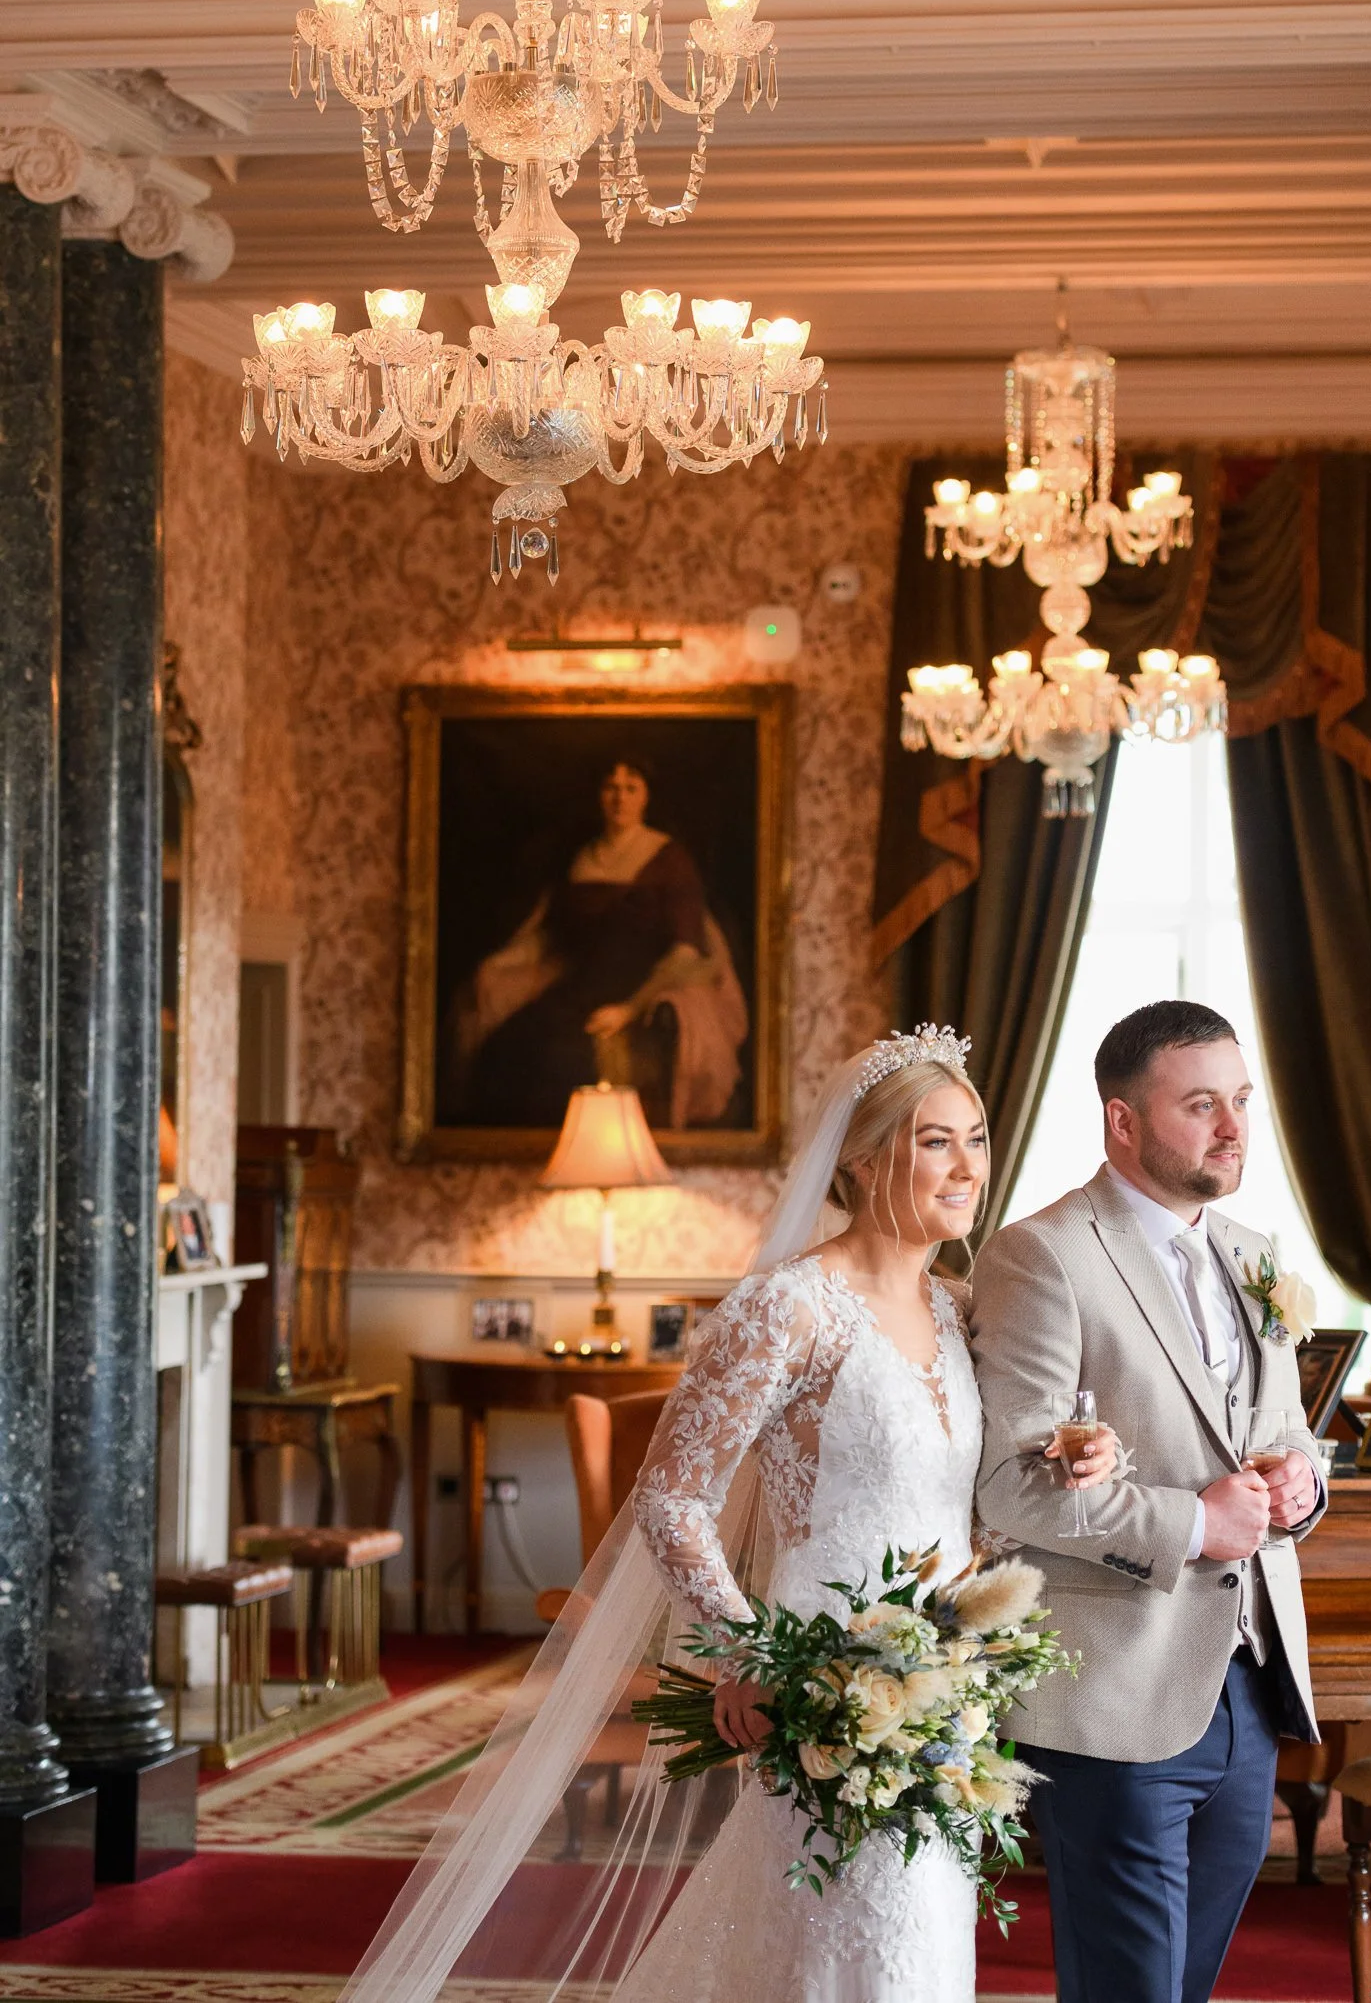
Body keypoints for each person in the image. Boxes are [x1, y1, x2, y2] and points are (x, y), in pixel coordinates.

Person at [337, 1028, 1119, 2003]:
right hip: (816, 1691)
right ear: (863, 1158)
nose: (967, 1167)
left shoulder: (963, 1310)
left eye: (976, 1138)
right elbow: (670, 1497)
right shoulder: (786, 1307)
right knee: (837, 1946)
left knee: (918, 1947)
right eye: (935, 1142)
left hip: (945, 1696)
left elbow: (979, 1508)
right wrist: (747, 1653)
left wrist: (1071, 1460)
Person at [972, 998, 1328, 2003]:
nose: (1230, 1130)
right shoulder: (1039, 1254)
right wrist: (1190, 1523)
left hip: (1249, 1684)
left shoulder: (1255, 1255)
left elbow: (1284, 1433)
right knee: (1128, 1989)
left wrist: (1300, 1485)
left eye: (1241, 1103)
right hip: (1114, 1689)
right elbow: (1007, 1485)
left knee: (1185, 1987)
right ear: (1120, 1121)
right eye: (1200, 1105)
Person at [447, 752, 747, 1130]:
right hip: (577, 987)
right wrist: (496, 966)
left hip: (640, 987)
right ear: (599, 795)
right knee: (506, 1049)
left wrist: (630, 1008)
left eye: (630, 788)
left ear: (645, 797)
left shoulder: (669, 858)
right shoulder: (581, 858)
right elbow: (548, 937)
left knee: (565, 1059)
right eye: (611, 788)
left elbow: (684, 952)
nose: (619, 798)